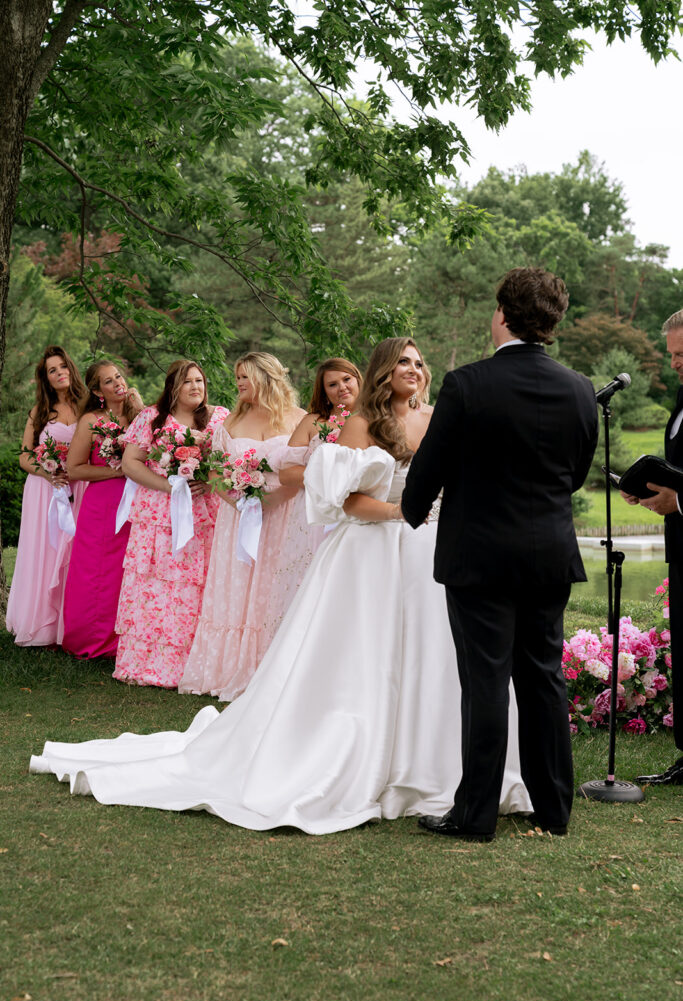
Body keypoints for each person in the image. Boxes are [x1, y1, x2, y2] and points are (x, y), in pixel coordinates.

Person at [30, 337, 531, 835]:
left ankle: (440, 764)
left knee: (436, 659)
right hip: (377, 551)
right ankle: (364, 755)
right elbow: (346, 501)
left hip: (435, 558)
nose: (414, 370)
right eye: (403, 361)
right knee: (370, 658)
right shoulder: (360, 425)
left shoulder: (441, 416)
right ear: (382, 370)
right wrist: (407, 513)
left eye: (420, 362)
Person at [402, 268, 599, 841]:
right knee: (543, 678)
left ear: (503, 315)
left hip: (480, 556)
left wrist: (412, 510)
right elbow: (576, 474)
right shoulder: (579, 389)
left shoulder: (468, 384)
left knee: (486, 681)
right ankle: (555, 808)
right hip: (548, 555)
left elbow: (429, 471)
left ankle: (476, 814)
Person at [178, 352, 306, 701]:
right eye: (237, 377)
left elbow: (307, 470)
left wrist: (271, 502)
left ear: (266, 378)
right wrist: (243, 503)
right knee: (238, 587)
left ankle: (276, 668)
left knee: (275, 586)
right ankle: (230, 667)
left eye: (245, 377)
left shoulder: (300, 420)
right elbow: (217, 474)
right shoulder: (230, 423)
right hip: (238, 519)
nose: (238, 384)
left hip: (284, 517)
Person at [113, 360, 228, 688]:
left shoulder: (220, 418)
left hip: (206, 511)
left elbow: (229, 460)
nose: (196, 387)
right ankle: (151, 666)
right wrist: (169, 486)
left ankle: (198, 665)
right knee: (159, 583)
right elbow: (130, 462)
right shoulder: (152, 418)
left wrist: (209, 481)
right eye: (187, 381)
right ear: (172, 387)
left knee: (200, 584)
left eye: (199, 380)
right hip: (159, 513)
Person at [623, 309, 683, 785]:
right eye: (672, 355)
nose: (675, 364)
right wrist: (648, 491)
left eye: (682, 354)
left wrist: (679, 499)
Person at [266, 357, 363, 638]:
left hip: (356, 512)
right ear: (324, 392)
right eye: (332, 384)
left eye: (347, 379)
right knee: (309, 583)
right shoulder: (313, 422)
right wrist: (326, 473)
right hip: (312, 519)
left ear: (358, 379)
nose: (341, 387)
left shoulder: (376, 418)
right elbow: (286, 473)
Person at [61, 361, 144, 659]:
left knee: (128, 570)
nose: (117, 383)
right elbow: (74, 468)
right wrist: (118, 471)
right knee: (97, 571)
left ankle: (128, 636)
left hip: (138, 503)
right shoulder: (91, 421)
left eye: (119, 376)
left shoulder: (139, 414)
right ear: (97, 391)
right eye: (108, 382)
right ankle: (92, 638)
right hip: (103, 503)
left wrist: (140, 407)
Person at [6, 346, 87, 646]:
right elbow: (24, 457)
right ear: (46, 378)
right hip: (44, 491)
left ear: (70, 368)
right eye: (52, 370)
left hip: (78, 488)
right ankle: (42, 624)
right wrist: (47, 472)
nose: (59, 372)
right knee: (45, 552)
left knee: (73, 553)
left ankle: (71, 623)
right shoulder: (39, 412)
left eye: (62, 366)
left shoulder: (87, 407)